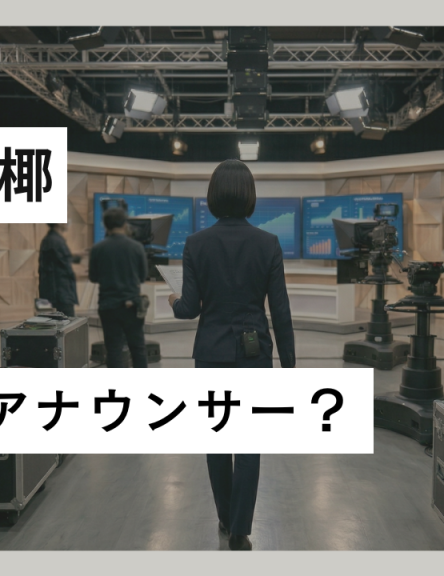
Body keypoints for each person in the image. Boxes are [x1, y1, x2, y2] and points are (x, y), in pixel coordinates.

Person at [168, 159, 296, 551]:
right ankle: (240, 529)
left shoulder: (196, 243)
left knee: (217, 440)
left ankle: (224, 517)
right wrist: (289, 366)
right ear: (249, 196)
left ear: (213, 196)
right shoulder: (268, 243)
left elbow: (189, 309)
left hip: (211, 354)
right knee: (248, 442)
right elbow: (280, 311)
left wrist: (173, 300)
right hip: (255, 355)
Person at [88, 207, 149, 368]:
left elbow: (93, 277)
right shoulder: (136, 247)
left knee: (113, 350)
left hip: (108, 306)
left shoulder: (97, 248)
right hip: (132, 306)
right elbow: (143, 276)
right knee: (138, 348)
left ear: (105, 225)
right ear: (124, 224)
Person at [38, 223, 80, 317]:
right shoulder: (56, 241)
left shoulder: (48, 239)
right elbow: (65, 263)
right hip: (60, 294)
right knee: (68, 322)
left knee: (47, 322)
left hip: (51, 293)